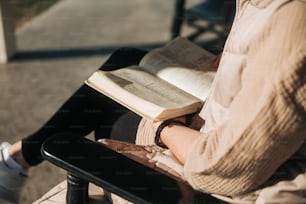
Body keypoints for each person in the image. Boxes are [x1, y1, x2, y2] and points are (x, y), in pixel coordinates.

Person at [1, 0, 306, 203]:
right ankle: (15, 160)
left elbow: (225, 168)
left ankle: (16, 160)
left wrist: (165, 127)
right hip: (217, 122)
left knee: (110, 106)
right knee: (129, 61)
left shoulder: (293, 22)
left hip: (212, 166)